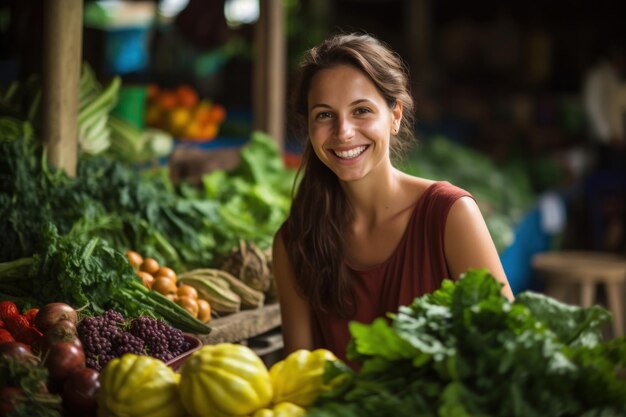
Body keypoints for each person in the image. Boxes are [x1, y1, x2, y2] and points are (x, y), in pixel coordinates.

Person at [272, 32, 513, 366]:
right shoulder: (294, 242)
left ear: (395, 115)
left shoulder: (450, 215)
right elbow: (297, 378)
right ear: (310, 128)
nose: (343, 132)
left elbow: (509, 349)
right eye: (325, 115)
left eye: (361, 110)